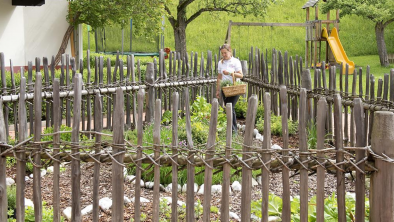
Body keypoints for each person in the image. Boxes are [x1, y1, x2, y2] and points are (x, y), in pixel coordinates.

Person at [216, 44, 243, 134]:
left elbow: (241, 75)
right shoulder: (220, 63)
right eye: (222, 53)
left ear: (230, 51)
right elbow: (219, 77)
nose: (223, 55)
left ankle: (233, 130)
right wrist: (218, 90)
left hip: (235, 88)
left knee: (230, 107)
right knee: (229, 108)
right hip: (225, 89)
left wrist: (230, 73)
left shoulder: (235, 61)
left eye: (225, 53)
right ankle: (232, 130)